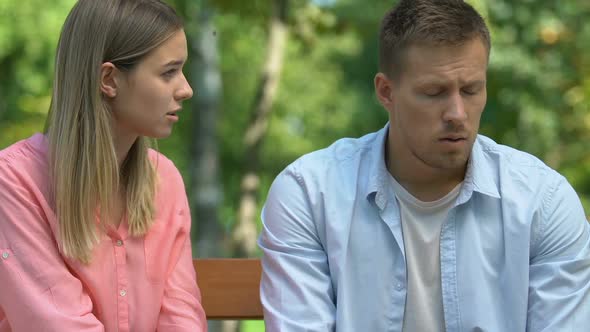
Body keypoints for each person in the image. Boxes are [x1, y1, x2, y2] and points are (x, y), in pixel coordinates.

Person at [258, 0, 590, 331]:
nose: (458, 114)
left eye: (471, 89)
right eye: (434, 92)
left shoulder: (542, 201)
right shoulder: (310, 194)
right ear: (386, 92)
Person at [0, 0, 207, 331]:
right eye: (169, 72)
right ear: (109, 79)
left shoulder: (164, 180)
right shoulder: (13, 181)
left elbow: (181, 318)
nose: (186, 89)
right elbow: (58, 324)